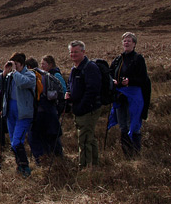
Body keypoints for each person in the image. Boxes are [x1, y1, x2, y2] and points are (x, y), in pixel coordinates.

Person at [109, 32, 148, 158]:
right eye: (124, 40)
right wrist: (113, 81)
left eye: (129, 41)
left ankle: (136, 154)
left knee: (134, 124)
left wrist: (130, 81)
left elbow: (144, 79)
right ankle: (127, 154)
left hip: (134, 96)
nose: (126, 42)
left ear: (134, 44)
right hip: (120, 96)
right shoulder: (118, 59)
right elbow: (109, 73)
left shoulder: (138, 59)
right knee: (123, 126)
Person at [0, 52, 36, 176]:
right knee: (13, 142)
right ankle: (20, 166)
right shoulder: (10, 76)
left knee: (17, 142)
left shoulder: (30, 75)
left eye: (16, 64)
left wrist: (14, 71)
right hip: (10, 113)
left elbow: (22, 83)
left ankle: (25, 167)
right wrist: (4, 73)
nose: (14, 66)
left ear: (22, 64)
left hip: (23, 114)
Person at [66, 40, 102, 169]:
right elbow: (71, 86)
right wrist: (69, 94)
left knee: (85, 139)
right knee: (89, 138)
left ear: (83, 52)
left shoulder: (90, 67)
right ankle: (93, 165)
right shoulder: (75, 69)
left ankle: (85, 167)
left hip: (88, 110)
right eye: (71, 52)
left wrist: (82, 107)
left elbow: (92, 90)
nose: (73, 55)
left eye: (76, 52)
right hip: (80, 109)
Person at [25, 57, 62, 165]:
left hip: (37, 113)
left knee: (35, 138)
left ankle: (41, 162)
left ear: (28, 67)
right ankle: (59, 161)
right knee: (52, 137)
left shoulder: (31, 77)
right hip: (51, 111)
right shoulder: (48, 75)